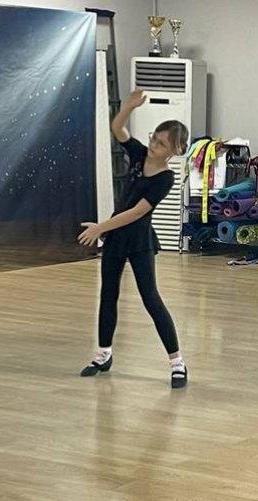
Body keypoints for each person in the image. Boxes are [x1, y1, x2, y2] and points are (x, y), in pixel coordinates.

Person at [78, 89, 189, 389]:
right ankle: (103, 354)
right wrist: (128, 106)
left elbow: (137, 212)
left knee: (150, 298)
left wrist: (101, 227)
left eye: (161, 143)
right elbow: (118, 129)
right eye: (154, 138)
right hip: (116, 239)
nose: (153, 144)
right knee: (108, 295)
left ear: (174, 150)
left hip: (139, 241)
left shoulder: (165, 178)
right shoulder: (140, 154)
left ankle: (177, 363)